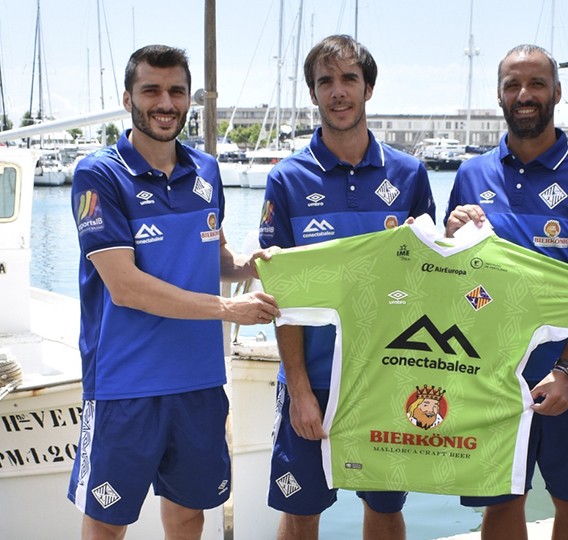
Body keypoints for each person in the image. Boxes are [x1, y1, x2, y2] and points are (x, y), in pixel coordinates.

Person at [67, 45, 280, 540]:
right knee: (107, 524)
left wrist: (264, 266)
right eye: (152, 90)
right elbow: (125, 287)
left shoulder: (206, 170)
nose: (166, 102)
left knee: (188, 516)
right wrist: (231, 308)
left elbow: (219, 262)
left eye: (176, 91)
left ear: (189, 99)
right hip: (125, 386)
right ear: (128, 98)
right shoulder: (98, 175)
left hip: (200, 383)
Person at [258, 34, 435, 540]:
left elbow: (427, 279)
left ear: (369, 88)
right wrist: (297, 390)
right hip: (310, 378)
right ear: (314, 93)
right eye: (325, 82)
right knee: (300, 513)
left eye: (349, 80)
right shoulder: (287, 179)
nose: (338, 92)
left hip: (387, 377)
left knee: (383, 510)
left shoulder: (410, 175)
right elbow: (282, 299)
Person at [445, 44, 568, 540]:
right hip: (491, 376)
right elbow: (457, 280)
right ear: (500, 96)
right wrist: (452, 229)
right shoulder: (471, 174)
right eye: (512, 85)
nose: (524, 95)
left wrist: (566, 368)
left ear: (557, 93)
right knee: (500, 508)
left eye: (536, 84)